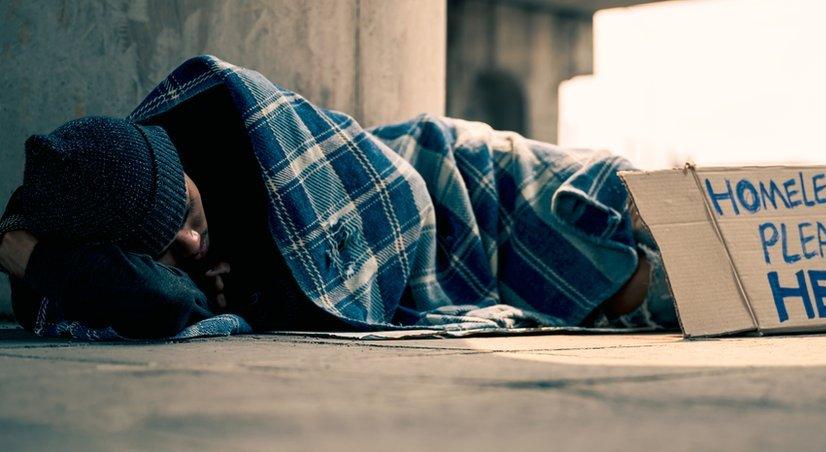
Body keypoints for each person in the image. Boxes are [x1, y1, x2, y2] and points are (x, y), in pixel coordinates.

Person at [0, 56, 676, 339]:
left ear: (177, 162)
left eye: (181, 211)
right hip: (420, 277)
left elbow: (380, 185)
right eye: (160, 245)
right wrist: (28, 256)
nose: (188, 244)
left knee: (593, 201)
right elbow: (166, 301)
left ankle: (695, 229)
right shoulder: (93, 272)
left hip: (437, 179)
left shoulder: (228, 128)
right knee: (621, 284)